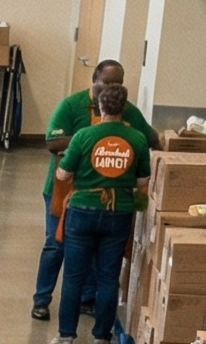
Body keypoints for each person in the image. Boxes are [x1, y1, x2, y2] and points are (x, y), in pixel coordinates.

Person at [35, 59, 154, 321]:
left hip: (101, 201)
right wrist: (93, 137)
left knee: (89, 252)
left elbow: (152, 138)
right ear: (94, 80)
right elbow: (52, 142)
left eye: (118, 83)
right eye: (107, 82)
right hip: (63, 190)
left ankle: (86, 301)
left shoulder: (129, 112)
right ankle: (41, 299)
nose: (112, 87)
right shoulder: (71, 105)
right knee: (56, 245)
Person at [50, 81, 150, 344]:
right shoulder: (137, 140)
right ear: (125, 109)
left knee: (73, 277)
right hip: (119, 213)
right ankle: (101, 340)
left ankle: (65, 338)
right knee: (108, 277)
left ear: (100, 107)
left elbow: (63, 176)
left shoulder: (83, 136)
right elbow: (143, 183)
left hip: (82, 210)